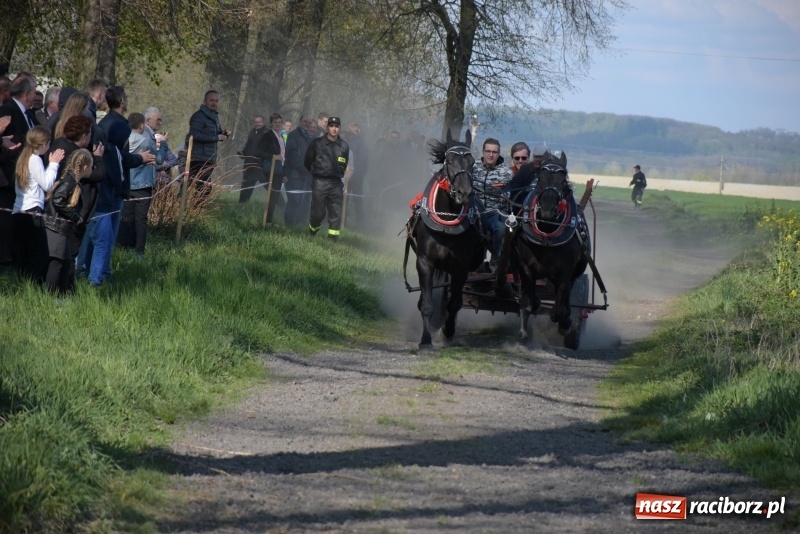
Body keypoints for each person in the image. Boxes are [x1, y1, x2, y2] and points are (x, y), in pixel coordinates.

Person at [12, 126, 64, 281]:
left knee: (25, 253)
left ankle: (24, 285)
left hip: (19, 210)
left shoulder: (24, 157)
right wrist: (54, 164)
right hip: (32, 210)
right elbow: (47, 184)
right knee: (38, 253)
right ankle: (33, 285)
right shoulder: (35, 159)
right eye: (48, 143)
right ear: (43, 144)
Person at [0, 74, 38, 271]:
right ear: (27, 93)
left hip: (24, 179)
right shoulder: (7, 111)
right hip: (8, 177)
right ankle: (7, 263)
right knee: (7, 224)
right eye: (33, 92)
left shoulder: (29, 115)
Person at [44, 148, 94, 294]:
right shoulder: (70, 181)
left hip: (61, 228)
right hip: (56, 227)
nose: (92, 169)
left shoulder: (73, 179)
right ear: (85, 167)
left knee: (66, 262)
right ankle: (50, 295)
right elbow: (57, 199)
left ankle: (64, 293)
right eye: (91, 166)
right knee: (57, 263)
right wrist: (74, 216)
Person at [119, 112, 167, 258]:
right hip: (143, 186)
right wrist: (163, 144)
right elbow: (158, 160)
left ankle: (123, 248)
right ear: (142, 126)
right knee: (141, 219)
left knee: (126, 218)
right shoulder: (146, 141)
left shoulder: (123, 140)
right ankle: (139, 252)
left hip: (127, 184)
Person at [304, 116, 350, 241]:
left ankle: (332, 240)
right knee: (317, 213)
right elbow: (307, 161)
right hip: (320, 182)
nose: (334, 129)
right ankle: (313, 230)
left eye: (337, 126)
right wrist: (317, 173)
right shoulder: (317, 143)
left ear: (339, 128)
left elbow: (345, 164)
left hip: (336, 183)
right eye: (332, 126)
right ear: (327, 127)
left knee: (336, 213)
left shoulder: (344, 146)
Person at [473, 137, 512, 269]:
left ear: (498, 154)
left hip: (496, 212)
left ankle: (496, 263)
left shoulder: (506, 173)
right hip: (475, 211)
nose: (491, 154)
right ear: (483, 152)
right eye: (488, 151)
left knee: (501, 228)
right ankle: (475, 263)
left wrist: (506, 195)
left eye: (494, 152)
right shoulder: (472, 167)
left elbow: (511, 190)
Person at [187, 89, 229, 200]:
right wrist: (216, 138)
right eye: (211, 100)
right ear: (205, 101)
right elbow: (194, 135)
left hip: (209, 158)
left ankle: (197, 212)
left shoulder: (214, 116)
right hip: (199, 158)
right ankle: (195, 212)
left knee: (205, 189)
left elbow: (217, 133)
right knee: (202, 189)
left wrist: (224, 133)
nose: (214, 103)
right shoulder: (199, 116)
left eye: (216, 101)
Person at [283, 114, 316, 228]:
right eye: (305, 121)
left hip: (305, 174)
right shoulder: (294, 135)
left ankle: (294, 224)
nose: (307, 124)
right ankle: (289, 225)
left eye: (309, 122)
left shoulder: (307, 136)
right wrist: (302, 168)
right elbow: (292, 154)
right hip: (294, 173)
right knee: (294, 199)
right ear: (300, 121)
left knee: (300, 200)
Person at [258, 112, 286, 223]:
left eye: (279, 122)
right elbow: (259, 152)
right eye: (275, 122)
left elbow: (283, 157)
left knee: (275, 196)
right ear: (270, 124)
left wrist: (284, 174)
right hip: (270, 169)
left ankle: (270, 220)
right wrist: (273, 156)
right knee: (273, 196)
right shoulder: (267, 135)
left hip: (279, 170)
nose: (278, 124)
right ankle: (267, 221)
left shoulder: (281, 137)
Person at [237, 115, 268, 203]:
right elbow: (248, 146)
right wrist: (243, 153)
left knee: (268, 186)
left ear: (263, 122)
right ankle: (242, 204)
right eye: (256, 122)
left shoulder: (267, 134)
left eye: (259, 122)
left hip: (260, 166)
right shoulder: (251, 132)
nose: (257, 124)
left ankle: (282, 206)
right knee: (246, 185)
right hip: (248, 165)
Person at [343, 122, 369, 230]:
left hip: (344, 174)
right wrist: (362, 172)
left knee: (344, 198)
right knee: (357, 200)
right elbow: (364, 159)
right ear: (357, 131)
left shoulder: (343, 140)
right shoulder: (360, 142)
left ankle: (343, 221)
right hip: (356, 175)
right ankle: (360, 223)